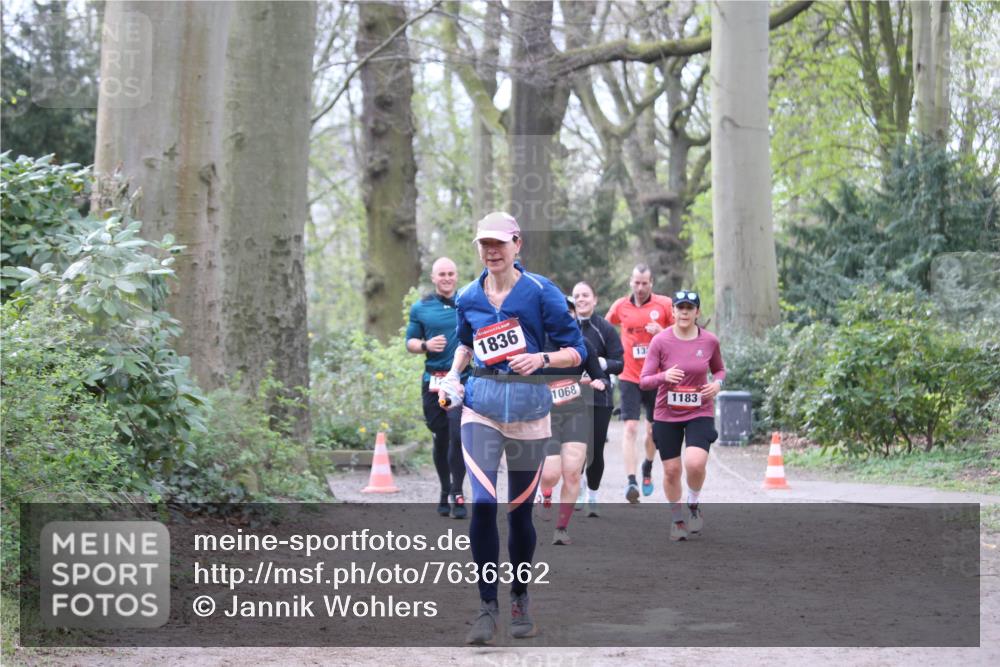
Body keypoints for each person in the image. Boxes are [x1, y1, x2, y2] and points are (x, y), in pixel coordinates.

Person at [437, 211, 587, 645]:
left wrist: (541, 359)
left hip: (529, 414)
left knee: (519, 512)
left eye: (500, 244)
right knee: (483, 503)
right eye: (484, 244)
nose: (492, 251)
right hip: (480, 409)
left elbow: (574, 352)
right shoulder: (468, 296)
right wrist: (452, 375)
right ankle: (486, 608)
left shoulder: (542, 293)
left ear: (517, 244)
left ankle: (520, 597)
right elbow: (466, 343)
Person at [639, 291, 726, 542]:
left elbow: (719, 370)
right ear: (673, 312)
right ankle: (677, 520)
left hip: (700, 410)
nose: (685, 312)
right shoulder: (660, 342)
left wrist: (718, 384)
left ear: (697, 312)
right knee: (671, 471)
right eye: (680, 308)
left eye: (690, 308)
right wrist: (663, 377)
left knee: (696, 463)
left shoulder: (709, 341)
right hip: (667, 412)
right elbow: (645, 381)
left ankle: (694, 503)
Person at [537, 296, 608, 545]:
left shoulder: (583, 344)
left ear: (575, 317)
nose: (565, 317)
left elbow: (600, 376)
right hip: (547, 415)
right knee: (550, 474)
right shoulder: (539, 343)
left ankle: (561, 528)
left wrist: (600, 382)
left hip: (576, 413)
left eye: (570, 313)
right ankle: (545, 493)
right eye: (560, 313)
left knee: (573, 473)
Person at [605, 264, 674, 502]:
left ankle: (647, 466)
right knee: (630, 428)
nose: (640, 287)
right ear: (630, 282)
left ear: (651, 283)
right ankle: (631, 481)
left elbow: (682, 334)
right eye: (637, 282)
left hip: (656, 377)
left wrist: (663, 331)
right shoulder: (620, 307)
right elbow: (605, 330)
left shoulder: (664, 305)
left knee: (653, 431)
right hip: (629, 376)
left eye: (645, 283)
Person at [405, 257, 467, 519]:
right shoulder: (421, 308)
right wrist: (425, 346)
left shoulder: (467, 304)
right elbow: (410, 342)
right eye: (441, 274)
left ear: (456, 276)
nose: (446, 278)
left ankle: (458, 493)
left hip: (461, 382)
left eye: (451, 273)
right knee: (441, 437)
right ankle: (445, 490)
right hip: (433, 382)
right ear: (433, 277)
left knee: (458, 436)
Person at [571, 281, 624, 517]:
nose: (581, 299)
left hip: (599, 397)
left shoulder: (606, 328)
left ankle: (593, 492)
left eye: (585, 295)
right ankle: (579, 489)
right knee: (575, 449)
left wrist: (599, 364)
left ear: (595, 299)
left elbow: (620, 363)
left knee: (595, 449)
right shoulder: (566, 327)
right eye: (577, 296)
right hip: (571, 397)